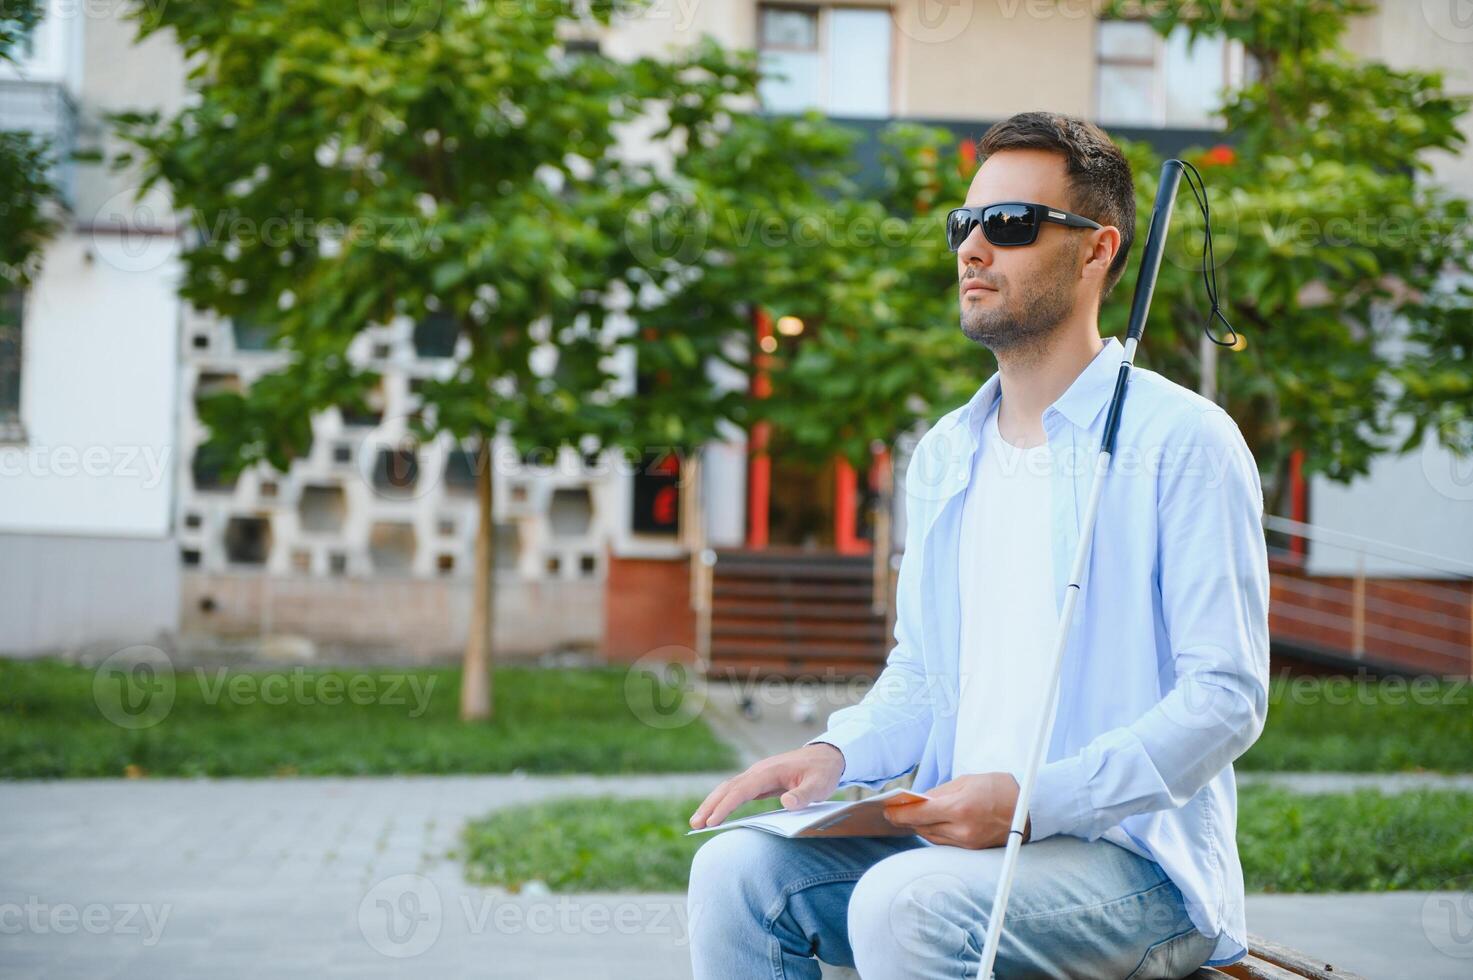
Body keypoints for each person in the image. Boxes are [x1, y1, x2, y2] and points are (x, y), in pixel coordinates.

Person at [685, 111, 1271, 979]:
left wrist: (1032, 803)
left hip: (1136, 869)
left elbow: (1225, 697)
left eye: (1009, 225)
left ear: (1097, 249)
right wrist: (831, 755)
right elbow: (923, 675)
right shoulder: (948, 452)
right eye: (966, 224)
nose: (972, 248)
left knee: (904, 902)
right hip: (958, 846)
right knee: (735, 870)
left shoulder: (1180, 440)